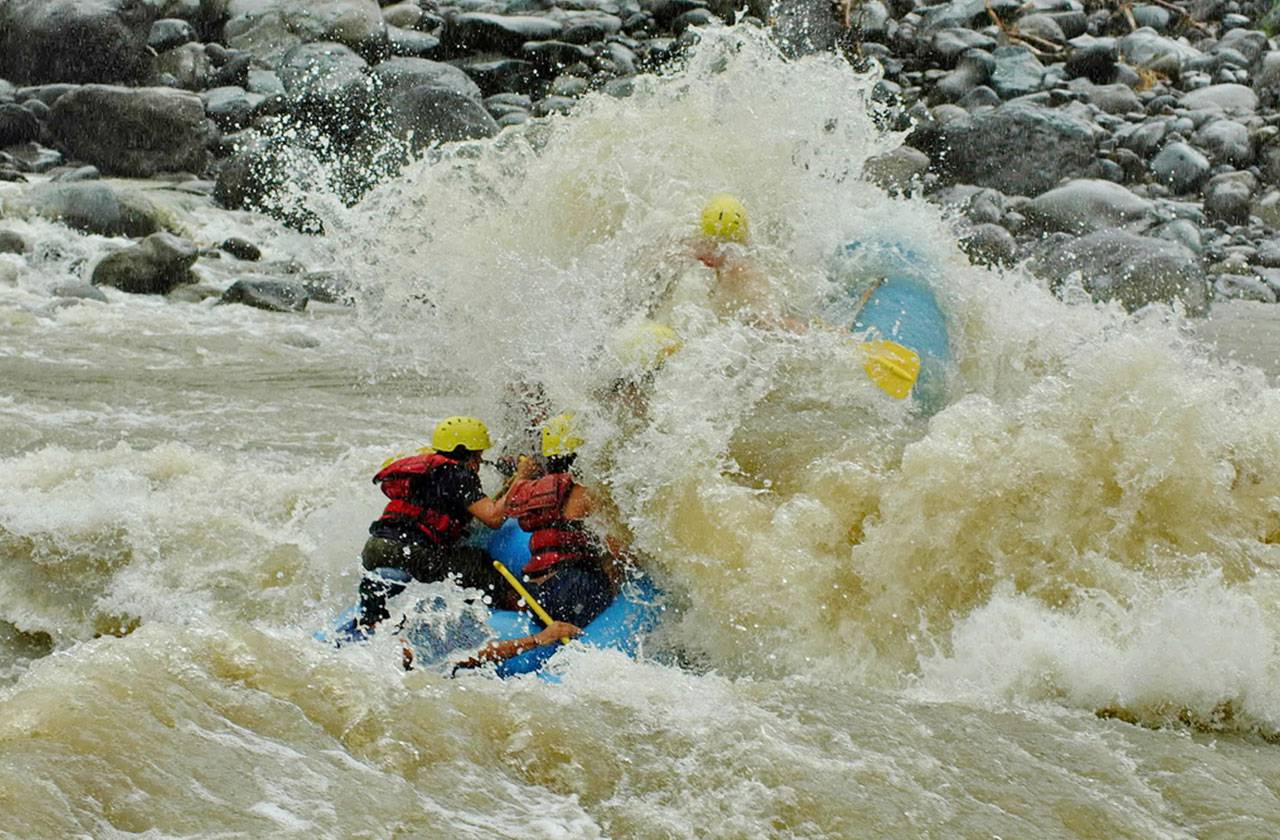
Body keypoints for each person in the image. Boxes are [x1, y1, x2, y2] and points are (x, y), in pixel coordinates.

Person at [358, 415, 536, 632]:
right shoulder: (457, 474)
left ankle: (372, 619)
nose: (479, 463)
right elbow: (494, 518)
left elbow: (474, 507)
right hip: (409, 552)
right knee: (475, 562)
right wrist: (522, 478)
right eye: (478, 456)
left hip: (374, 548)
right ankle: (523, 613)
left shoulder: (429, 469)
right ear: (468, 453)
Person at [502, 413, 618, 627]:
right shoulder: (586, 493)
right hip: (572, 590)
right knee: (614, 565)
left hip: (537, 595)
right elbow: (616, 548)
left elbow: (507, 505)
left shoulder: (532, 489)